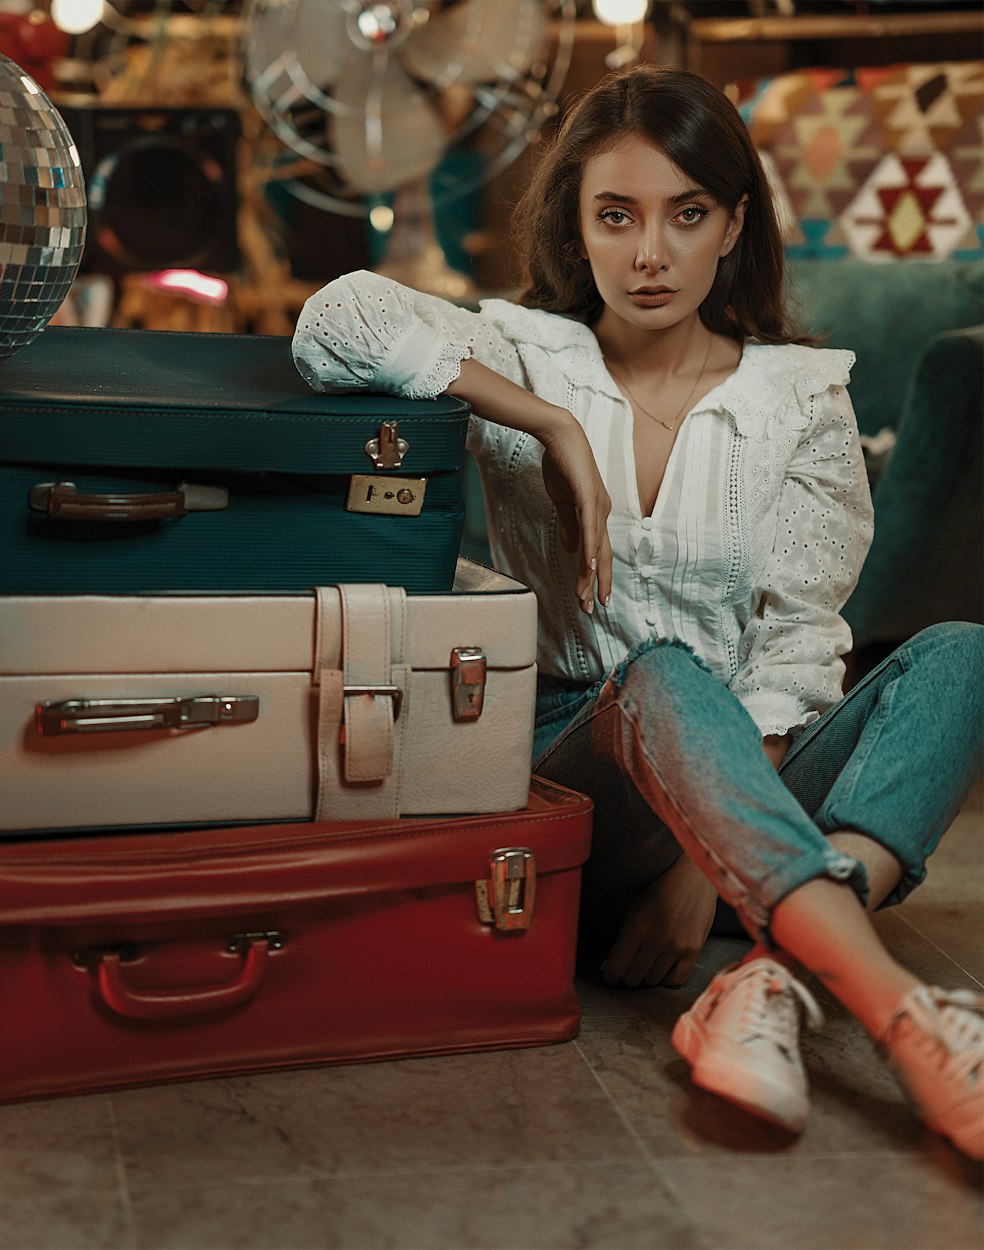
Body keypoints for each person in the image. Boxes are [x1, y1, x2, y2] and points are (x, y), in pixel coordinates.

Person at [292, 65, 984, 1159]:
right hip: (580, 768)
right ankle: (901, 1012)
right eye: (614, 215)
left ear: (733, 224)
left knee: (960, 654)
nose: (648, 253)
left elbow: (800, 646)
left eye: (685, 213)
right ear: (577, 221)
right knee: (663, 668)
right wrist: (549, 426)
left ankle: (761, 971)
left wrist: (688, 874)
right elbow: (334, 319)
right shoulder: (528, 350)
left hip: (743, 786)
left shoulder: (800, 393)